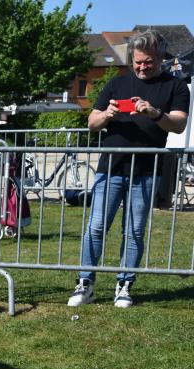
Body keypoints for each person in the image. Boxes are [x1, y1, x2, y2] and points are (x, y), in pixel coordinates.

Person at [68, 30, 189, 308]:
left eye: (148, 62)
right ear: (131, 59)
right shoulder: (117, 83)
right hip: (110, 168)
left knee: (134, 231)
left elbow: (179, 123)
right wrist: (108, 114)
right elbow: (92, 122)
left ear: (160, 58)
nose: (142, 67)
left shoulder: (176, 86)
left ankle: (124, 286)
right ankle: (85, 283)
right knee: (96, 227)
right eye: (138, 62)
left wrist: (154, 113)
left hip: (146, 172)